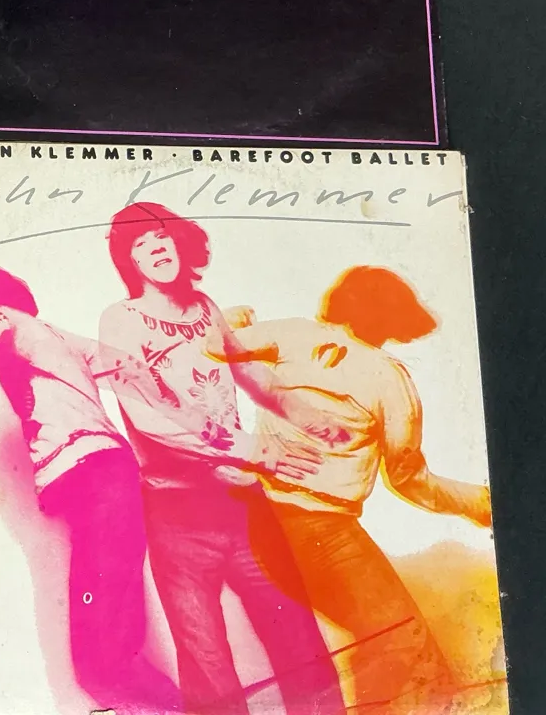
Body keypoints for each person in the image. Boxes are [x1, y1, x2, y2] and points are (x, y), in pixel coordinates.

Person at [98, 203, 346, 715]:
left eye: (161, 235)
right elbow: (147, 417)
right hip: (177, 514)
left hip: (243, 505)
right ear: (129, 261)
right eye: (140, 244)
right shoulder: (120, 319)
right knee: (207, 665)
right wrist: (253, 449)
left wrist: (304, 411)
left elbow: (250, 374)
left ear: (180, 241)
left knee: (299, 641)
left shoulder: (206, 307)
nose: (155, 247)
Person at [211, 267, 492, 714]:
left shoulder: (294, 333)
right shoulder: (389, 377)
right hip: (321, 532)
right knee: (402, 642)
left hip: (260, 525)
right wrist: (477, 503)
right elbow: (409, 480)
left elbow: (212, 342)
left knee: (379, 639)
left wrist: (235, 318)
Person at [0, 267, 182, 715]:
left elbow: (122, 364)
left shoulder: (22, 326)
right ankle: (117, 676)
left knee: (104, 567)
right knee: (112, 567)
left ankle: (114, 677)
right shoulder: (33, 329)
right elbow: (127, 364)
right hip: (97, 461)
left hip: (87, 461)